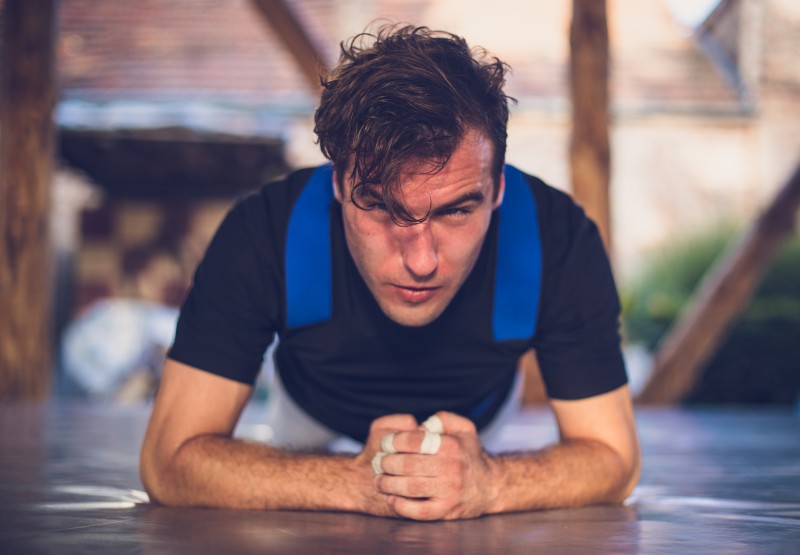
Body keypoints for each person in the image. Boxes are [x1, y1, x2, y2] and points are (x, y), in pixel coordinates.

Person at [140, 25, 640, 521]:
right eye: (380, 207)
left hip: (476, 416)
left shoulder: (557, 237)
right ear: (337, 183)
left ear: (498, 189)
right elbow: (168, 461)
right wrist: (356, 482)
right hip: (310, 412)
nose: (421, 263)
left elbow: (615, 460)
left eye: (456, 212)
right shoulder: (265, 231)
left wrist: (491, 482)